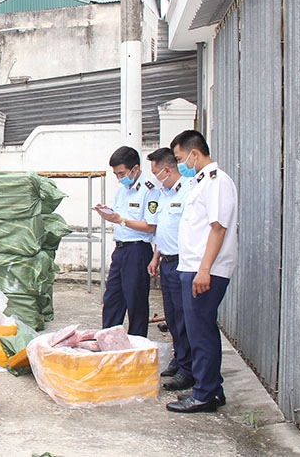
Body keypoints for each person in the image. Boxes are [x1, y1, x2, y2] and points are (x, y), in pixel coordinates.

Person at [166, 129, 238, 414]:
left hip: (204, 270)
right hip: (194, 268)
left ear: (194, 154)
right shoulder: (200, 183)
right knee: (199, 331)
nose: (180, 163)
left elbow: (217, 228)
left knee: (201, 333)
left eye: (181, 157)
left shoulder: (216, 182)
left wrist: (204, 269)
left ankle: (204, 394)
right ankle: (212, 389)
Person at [93, 145, 159, 337]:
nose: (119, 178)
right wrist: (107, 213)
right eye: (116, 174)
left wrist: (120, 220)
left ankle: (137, 345)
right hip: (120, 250)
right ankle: (108, 341)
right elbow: (118, 215)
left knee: (136, 301)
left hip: (138, 250)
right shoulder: (123, 189)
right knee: (112, 298)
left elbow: (150, 226)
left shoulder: (149, 190)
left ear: (135, 169)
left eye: (122, 173)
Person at [145, 147, 194, 392]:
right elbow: (163, 231)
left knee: (185, 318)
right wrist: (156, 256)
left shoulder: (189, 192)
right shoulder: (164, 194)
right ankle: (180, 358)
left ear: (166, 169)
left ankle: (188, 370)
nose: (153, 177)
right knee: (173, 317)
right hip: (166, 260)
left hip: (182, 263)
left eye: (155, 172)